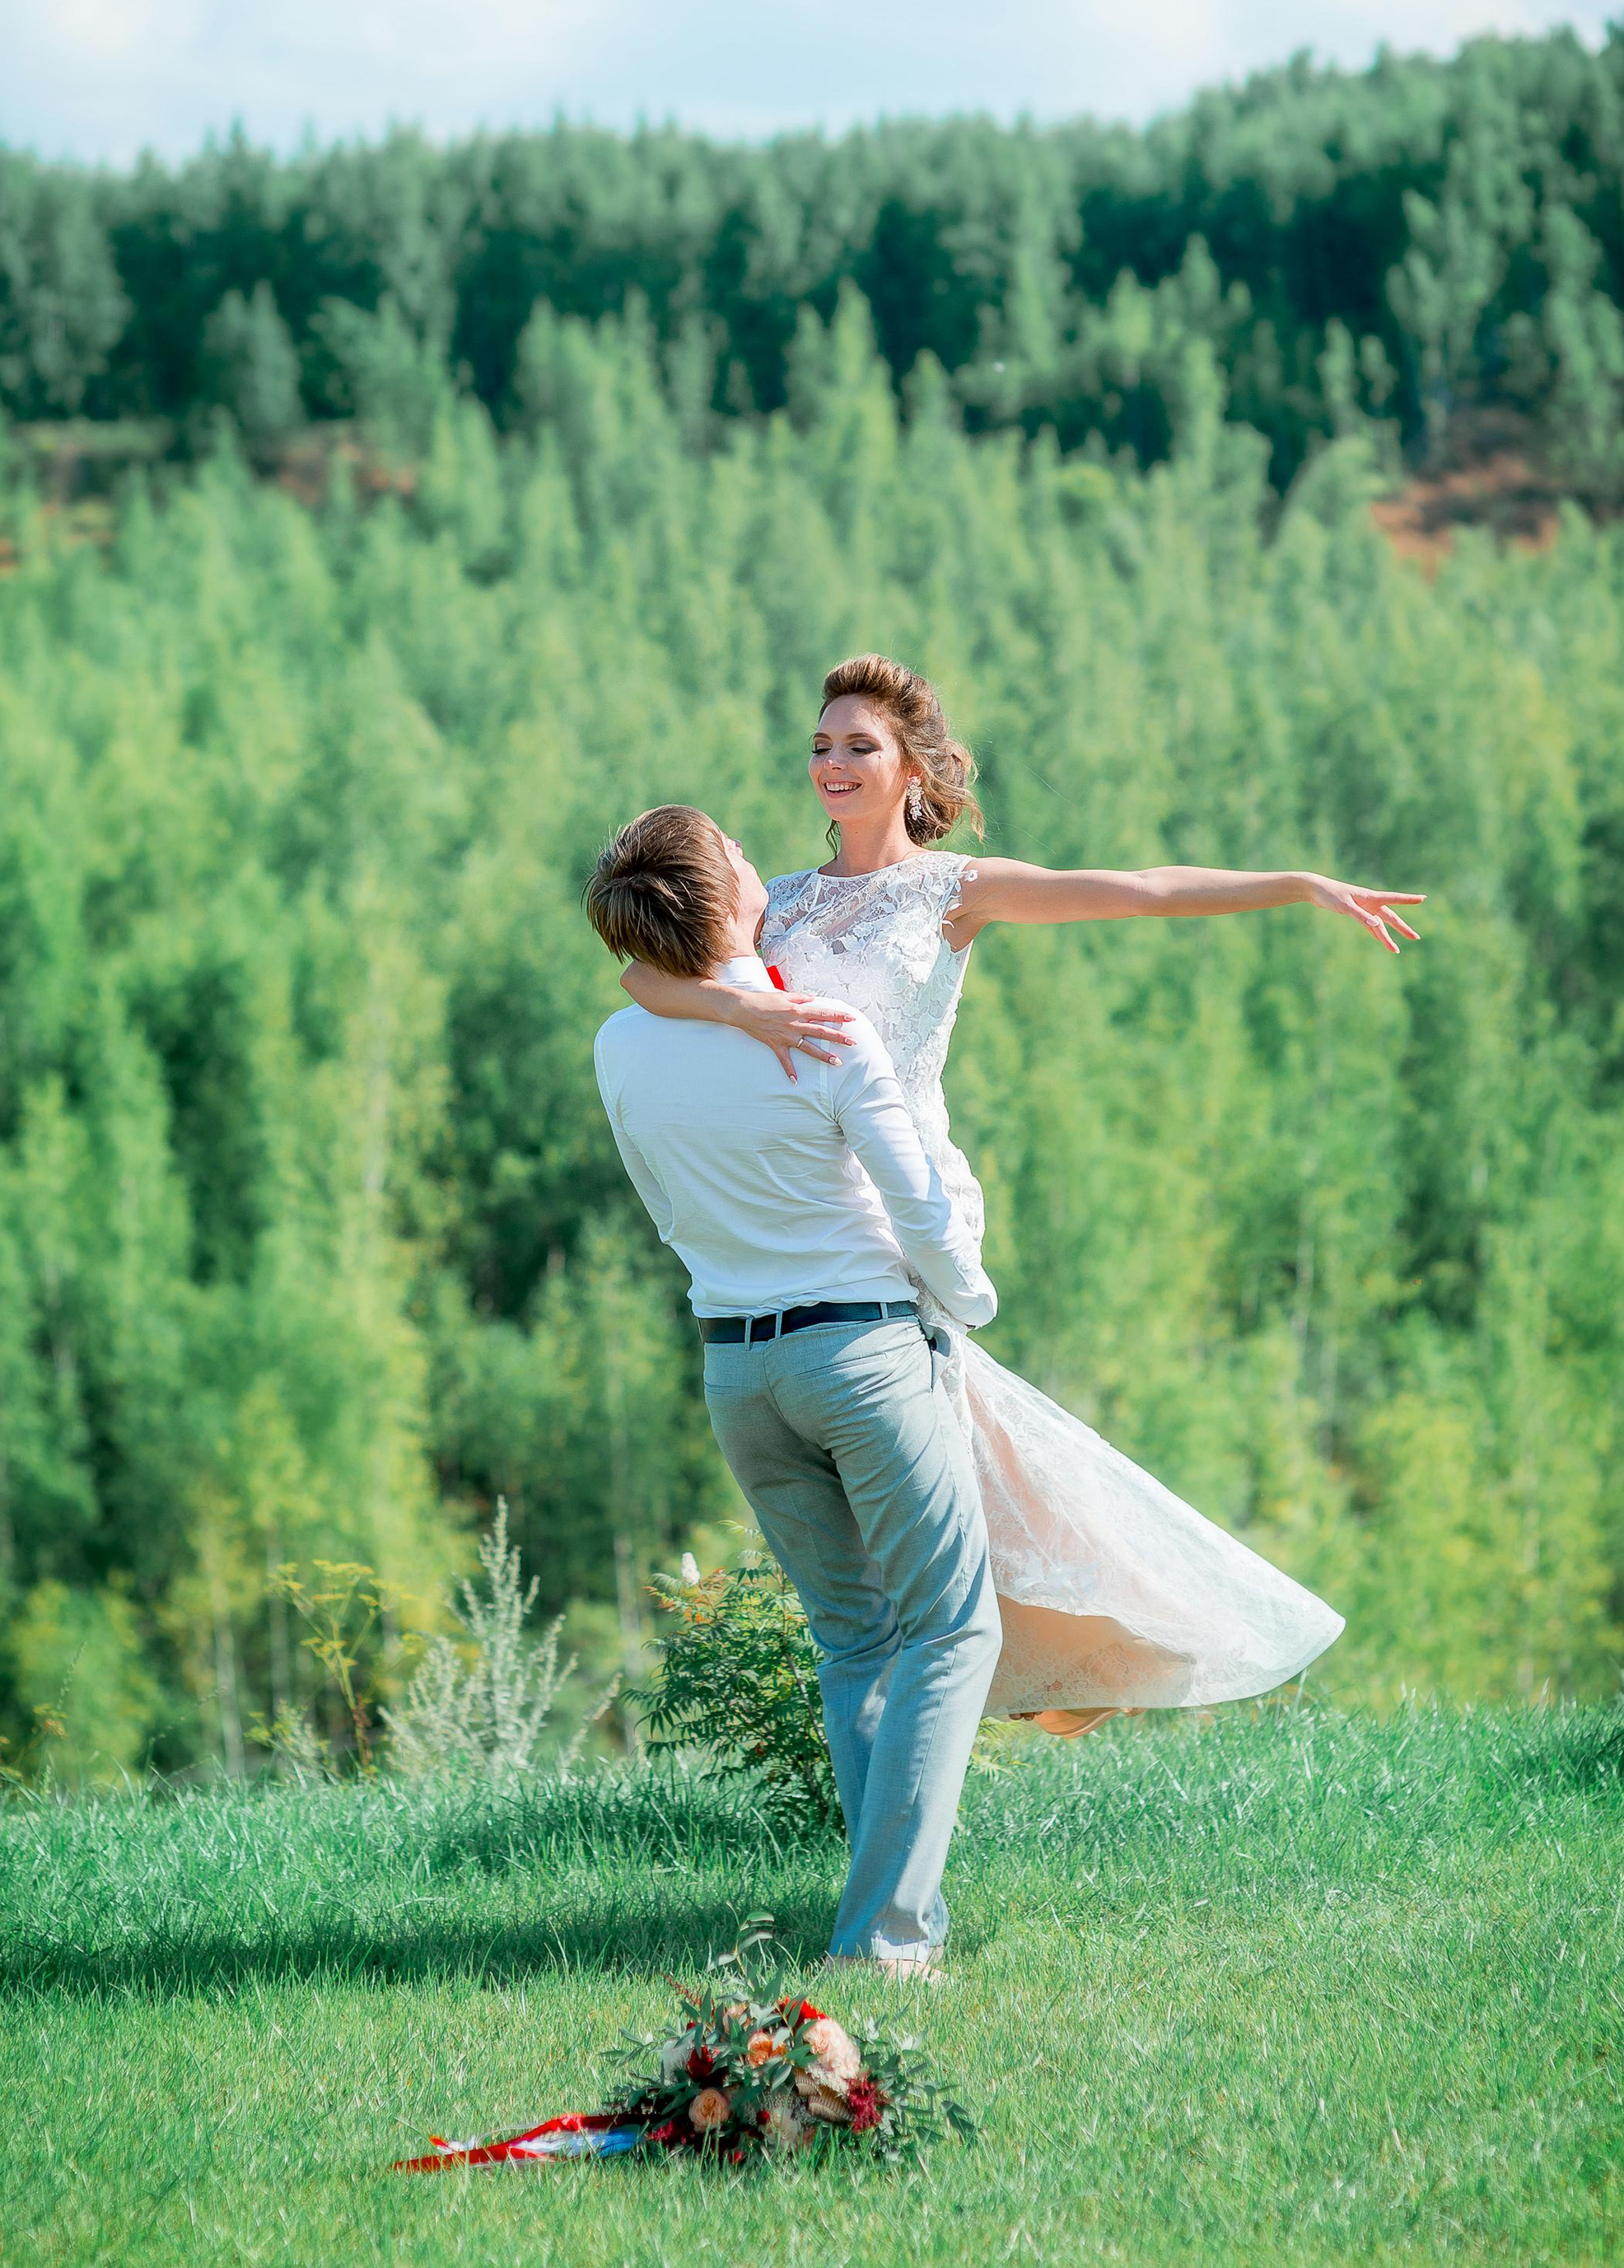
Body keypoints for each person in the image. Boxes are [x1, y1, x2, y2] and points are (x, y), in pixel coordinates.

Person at [621, 654, 1425, 1732]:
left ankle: (1075, 1646)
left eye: (859, 745)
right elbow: (644, 973)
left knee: (937, 1438)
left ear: (915, 770)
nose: (833, 764)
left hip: (908, 1192)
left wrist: (1297, 884)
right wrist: (749, 1014)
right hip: (813, 1196)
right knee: (960, 1438)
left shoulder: (956, 891)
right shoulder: (781, 902)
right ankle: (1077, 1644)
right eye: (821, 744)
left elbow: (1140, 891)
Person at [587, 800, 1000, 1977]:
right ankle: (889, 1937)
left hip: (738, 1370)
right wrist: (966, 1300)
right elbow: (915, 1197)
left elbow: (666, 1207)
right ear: (721, 893)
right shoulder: (820, 1031)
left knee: (856, 1641)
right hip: (861, 1354)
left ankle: (882, 1916)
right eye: (730, 845)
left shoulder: (622, 1044)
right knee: (951, 1627)